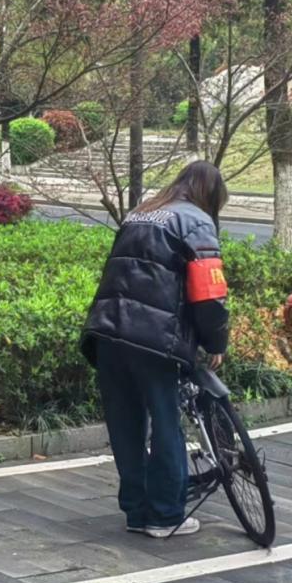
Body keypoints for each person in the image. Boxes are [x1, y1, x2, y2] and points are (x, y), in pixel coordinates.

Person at [80, 161, 230, 538]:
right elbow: (208, 294)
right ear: (211, 195)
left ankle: (136, 511)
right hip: (153, 338)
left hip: (107, 330)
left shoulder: (140, 212)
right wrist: (215, 342)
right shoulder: (196, 221)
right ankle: (164, 515)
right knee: (165, 423)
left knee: (125, 425)